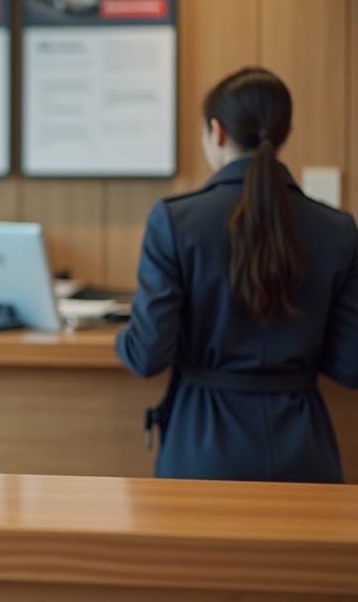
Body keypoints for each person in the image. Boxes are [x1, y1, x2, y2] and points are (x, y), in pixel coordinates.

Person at [116, 67, 358, 482]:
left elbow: (147, 355)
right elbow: (350, 366)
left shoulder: (176, 221)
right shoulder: (338, 230)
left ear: (217, 132)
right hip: (306, 453)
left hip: (202, 449)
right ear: (287, 133)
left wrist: (123, 335)